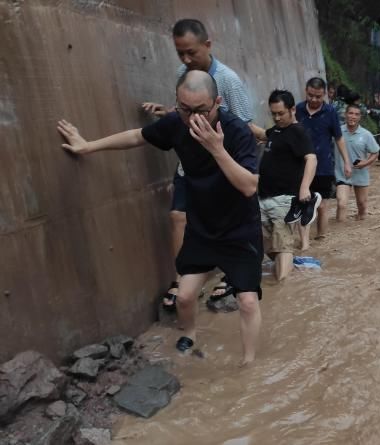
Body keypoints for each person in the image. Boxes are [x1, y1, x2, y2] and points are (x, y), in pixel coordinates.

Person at [58, 71, 262, 365]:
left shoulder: (237, 132)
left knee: (247, 300)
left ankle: (248, 366)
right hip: (202, 227)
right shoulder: (175, 124)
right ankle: (190, 334)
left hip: (240, 229)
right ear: (177, 102)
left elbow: (249, 186)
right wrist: (87, 145)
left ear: (217, 102)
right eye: (185, 109)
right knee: (185, 296)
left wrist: (216, 148)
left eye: (201, 110)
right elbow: (136, 136)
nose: (193, 118)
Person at [142, 18, 254, 311]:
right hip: (189, 165)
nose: (186, 59)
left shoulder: (229, 81)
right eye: (180, 53)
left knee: (226, 223)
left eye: (191, 52)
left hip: (221, 167)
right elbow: (182, 113)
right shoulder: (183, 73)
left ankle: (229, 274)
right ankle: (182, 279)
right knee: (178, 217)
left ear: (208, 45)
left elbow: (245, 128)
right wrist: (168, 112)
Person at [250, 90, 318, 281]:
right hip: (264, 198)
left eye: (281, 113)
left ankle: (284, 289)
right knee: (265, 243)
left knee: (283, 246)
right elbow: (264, 134)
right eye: (273, 114)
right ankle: (292, 271)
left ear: (292, 110)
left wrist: (304, 188)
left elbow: (312, 159)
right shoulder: (277, 130)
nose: (277, 118)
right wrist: (242, 123)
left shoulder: (298, 132)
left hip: (284, 200)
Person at [295, 77, 352, 249]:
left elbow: (339, 138)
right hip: (300, 165)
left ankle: (320, 238)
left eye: (318, 96)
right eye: (311, 95)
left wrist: (347, 162)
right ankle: (304, 242)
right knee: (301, 203)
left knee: (322, 206)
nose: (314, 99)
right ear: (306, 91)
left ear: (325, 95)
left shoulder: (330, 112)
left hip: (323, 166)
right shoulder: (297, 109)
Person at [335, 104, 380, 222]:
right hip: (342, 174)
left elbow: (375, 152)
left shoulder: (366, 134)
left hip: (360, 173)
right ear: (345, 114)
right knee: (342, 204)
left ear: (360, 117)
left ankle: (360, 219)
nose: (353, 117)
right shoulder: (337, 132)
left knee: (362, 206)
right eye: (350, 113)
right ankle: (340, 231)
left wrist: (365, 163)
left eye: (356, 114)